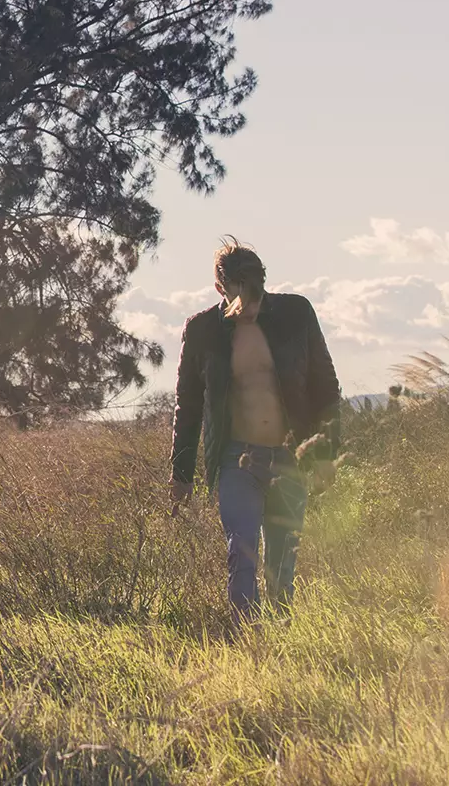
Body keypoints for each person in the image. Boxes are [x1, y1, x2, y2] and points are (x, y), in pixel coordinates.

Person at [168, 237, 342, 628]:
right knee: (241, 553)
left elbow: (325, 385)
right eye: (238, 296)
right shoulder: (202, 331)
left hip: (290, 460)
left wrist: (327, 453)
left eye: (256, 294)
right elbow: (189, 404)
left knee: (282, 564)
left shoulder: (296, 314)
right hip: (236, 462)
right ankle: (249, 640)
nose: (249, 304)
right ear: (220, 288)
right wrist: (180, 475)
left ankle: (282, 641)